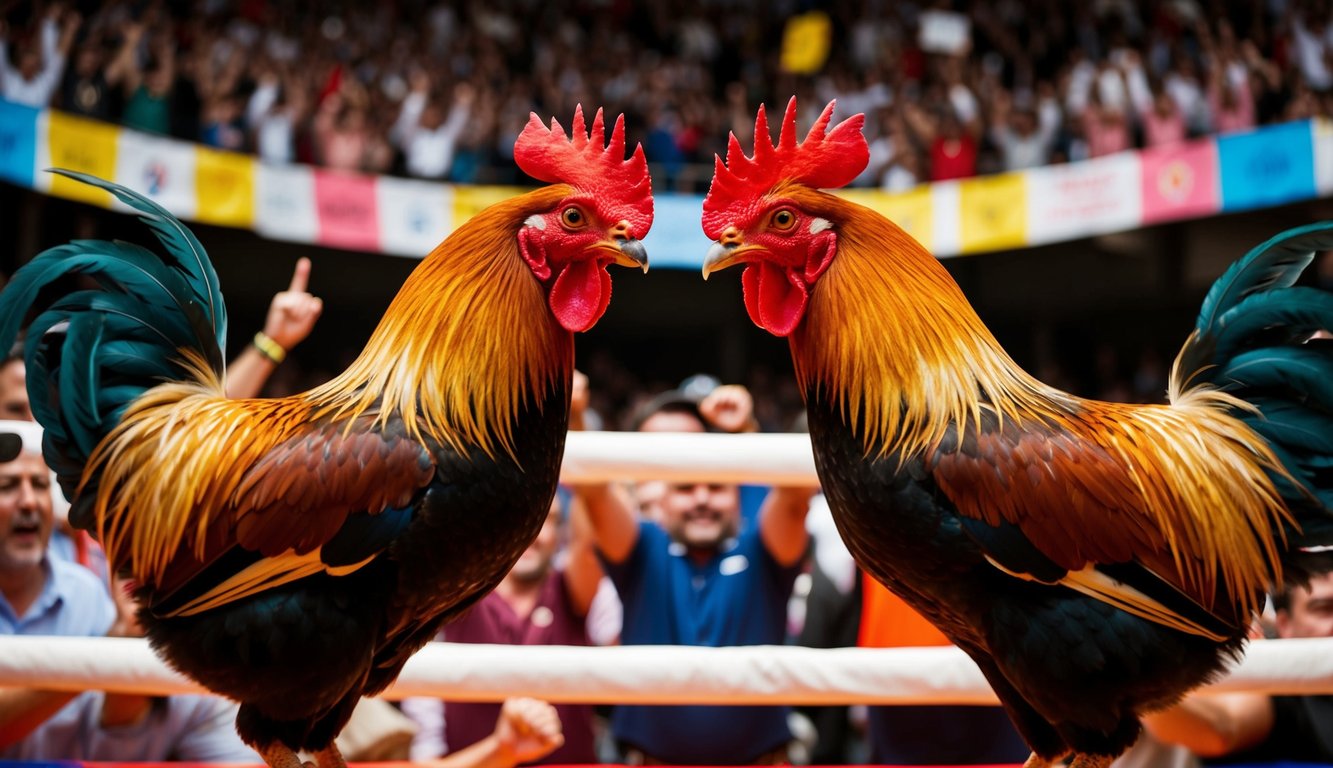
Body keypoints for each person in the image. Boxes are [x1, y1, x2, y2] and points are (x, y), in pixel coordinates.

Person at [572, 378, 814, 765]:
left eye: (716, 486)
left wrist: (746, 434)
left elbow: (792, 497)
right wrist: (574, 416)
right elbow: (595, 493)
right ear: (663, 498)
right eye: (686, 488)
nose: (702, 499)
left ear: (738, 493)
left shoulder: (763, 548)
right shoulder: (643, 547)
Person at [0, 419, 259, 761]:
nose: (29, 502)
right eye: (7, 486)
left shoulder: (85, 594)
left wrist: (128, 642)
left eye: (38, 485)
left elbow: (106, 741)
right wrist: (103, 657)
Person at [402, 490, 603, 764]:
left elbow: (590, 538)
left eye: (546, 519)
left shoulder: (573, 591)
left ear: (559, 534)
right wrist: (501, 749)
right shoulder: (450, 600)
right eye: (517, 517)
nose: (532, 532)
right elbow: (425, 758)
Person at [1139, 555, 1333, 764]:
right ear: (1284, 625)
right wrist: (1134, 674)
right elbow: (1221, 728)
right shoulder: (1283, 693)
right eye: (1324, 609)